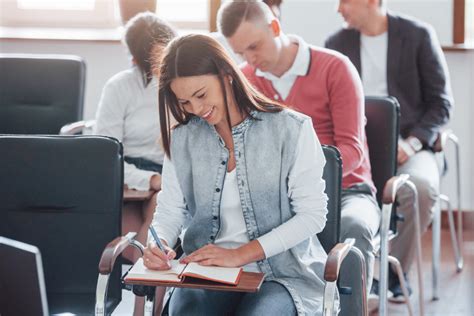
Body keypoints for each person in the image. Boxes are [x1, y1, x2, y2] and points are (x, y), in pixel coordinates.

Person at [142, 34, 330, 315]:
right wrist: (158, 245)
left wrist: (240, 255)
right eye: (184, 102)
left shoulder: (292, 129)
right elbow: (170, 211)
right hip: (206, 273)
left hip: (281, 275)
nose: (196, 109)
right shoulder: (182, 139)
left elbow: (313, 216)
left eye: (201, 95)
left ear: (227, 74)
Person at [217, 0, 380, 296]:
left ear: (275, 27)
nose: (250, 60)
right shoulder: (245, 80)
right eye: (241, 53)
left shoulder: (335, 68)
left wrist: (298, 176)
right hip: (277, 199)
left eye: (254, 46)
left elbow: (351, 151)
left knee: (355, 228)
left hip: (347, 191)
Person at [325, 0, 453, 301]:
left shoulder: (418, 35)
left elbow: (441, 104)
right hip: (358, 144)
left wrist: (412, 143)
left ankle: (395, 272)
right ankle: (351, 273)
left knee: (420, 188)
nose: (338, 9)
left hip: (412, 142)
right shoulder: (337, 44)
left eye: (344, 1)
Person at [95, 12, 177, 255]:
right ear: (136, 59)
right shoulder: (119, 87)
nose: (162, 66)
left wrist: (162, 180)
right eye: (153, 60)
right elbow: (106, 154)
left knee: (156, 223)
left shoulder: (182, 85)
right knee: (128, 240)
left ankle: (144, 292)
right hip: (126, 178)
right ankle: (142, 289)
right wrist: (149, 179)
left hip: (168, 175)